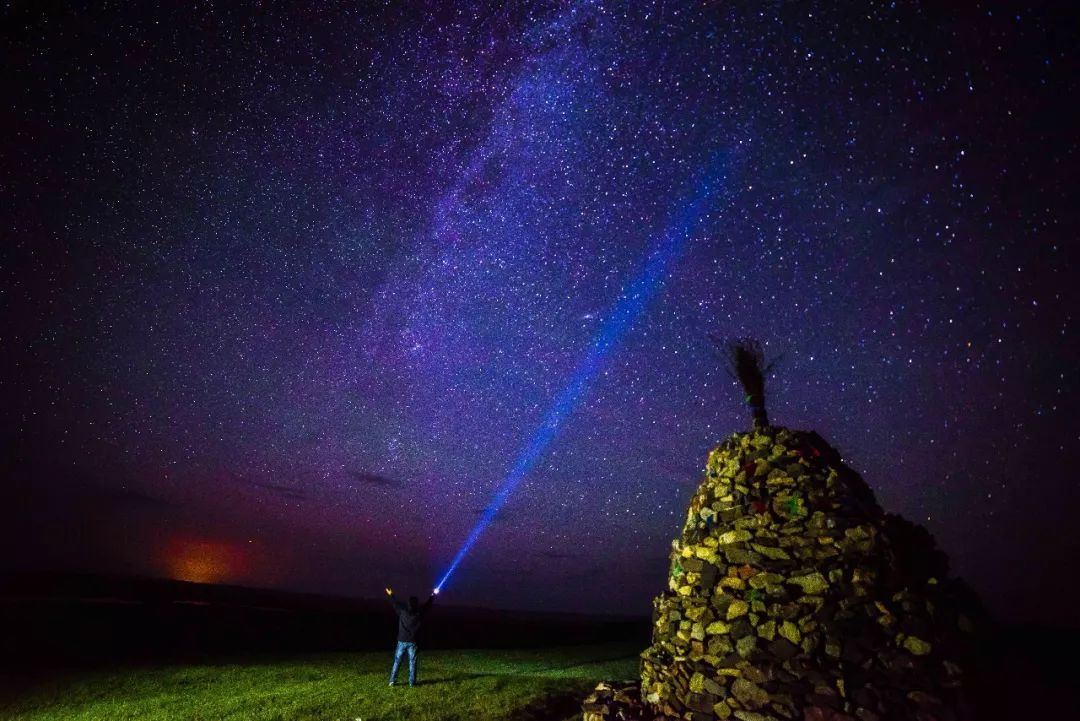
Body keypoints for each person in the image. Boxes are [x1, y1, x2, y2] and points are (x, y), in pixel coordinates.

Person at [385, 586, 437, 687]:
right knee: (412, 663)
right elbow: (427, 605)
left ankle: (392, 681)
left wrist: (391, 594)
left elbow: (395, 603)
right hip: (413, 642)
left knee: (397, 661)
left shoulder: (402, 612)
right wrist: (433, 595)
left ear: (408, 604)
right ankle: (411, 683)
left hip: (401, 641)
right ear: (417, 604)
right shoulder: (419, 614)